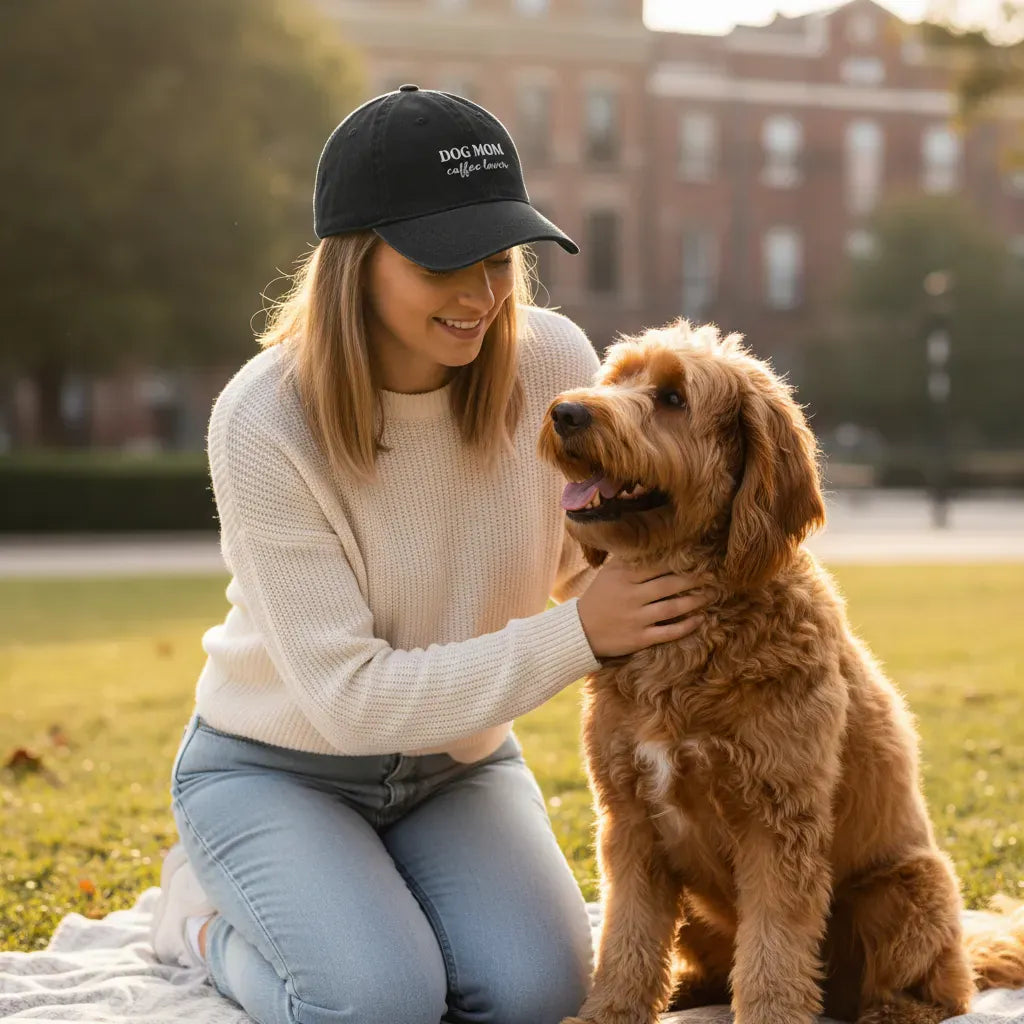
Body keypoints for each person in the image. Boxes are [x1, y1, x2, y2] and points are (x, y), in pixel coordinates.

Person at [149, 85, 707, 1024]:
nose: (481, 295)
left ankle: (377, 901)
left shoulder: (553, 363)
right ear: (355, 259)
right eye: (444, 261)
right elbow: (350, 698)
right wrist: (581, 633)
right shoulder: (262, 418)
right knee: (379, 1006)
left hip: (458, 766)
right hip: (276, 768)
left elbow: (591, 561)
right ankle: (200, 925)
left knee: (544, 996)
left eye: (499, 258)